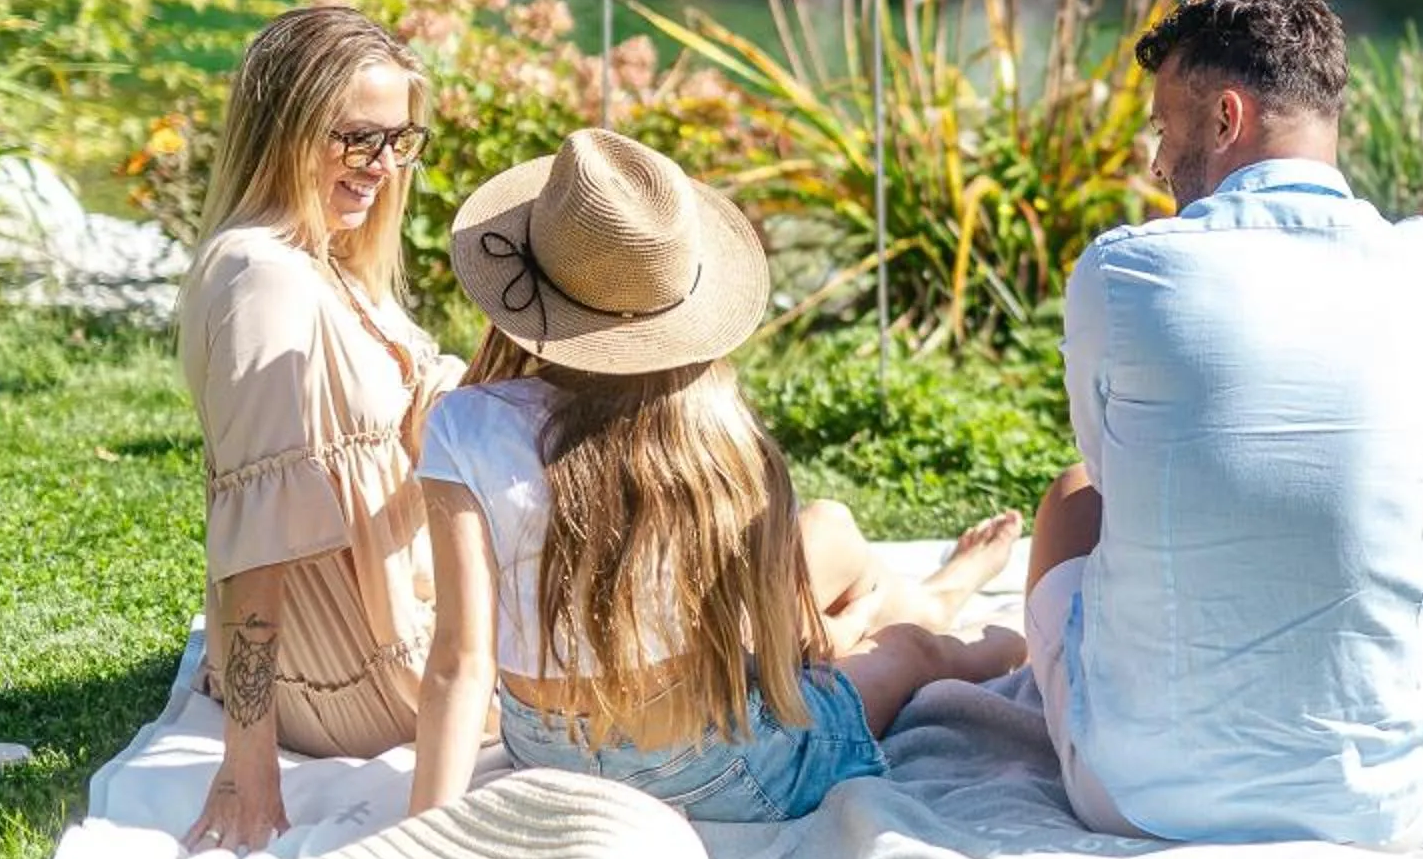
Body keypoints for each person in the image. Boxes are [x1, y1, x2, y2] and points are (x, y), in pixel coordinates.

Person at [408, 128, 1024, 823]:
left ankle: (905, 601)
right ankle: (963, 615)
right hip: (709, 771)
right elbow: (771, 661)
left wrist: (420, 837)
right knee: (908, 646)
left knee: (828, 533)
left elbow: (460, 665)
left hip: (546, 751)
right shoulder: (711, 426)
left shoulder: (462, 424)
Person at [1026, 0, 1423, 848]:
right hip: (1395, 798)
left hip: (1144, 793)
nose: (1156, 160)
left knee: (1073, 500)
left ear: (1225, 119)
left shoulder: (1127, 274)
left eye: (1163, 127)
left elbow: (1108, 478)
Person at [178, 4, 461, 852]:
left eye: (399, 140)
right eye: (356, 138)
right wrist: (247, 766)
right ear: (285, 128)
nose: (381, 166)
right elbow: (253, 538)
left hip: (380, 636)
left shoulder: (325, 262)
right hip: (359, 681)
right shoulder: (266, 282)